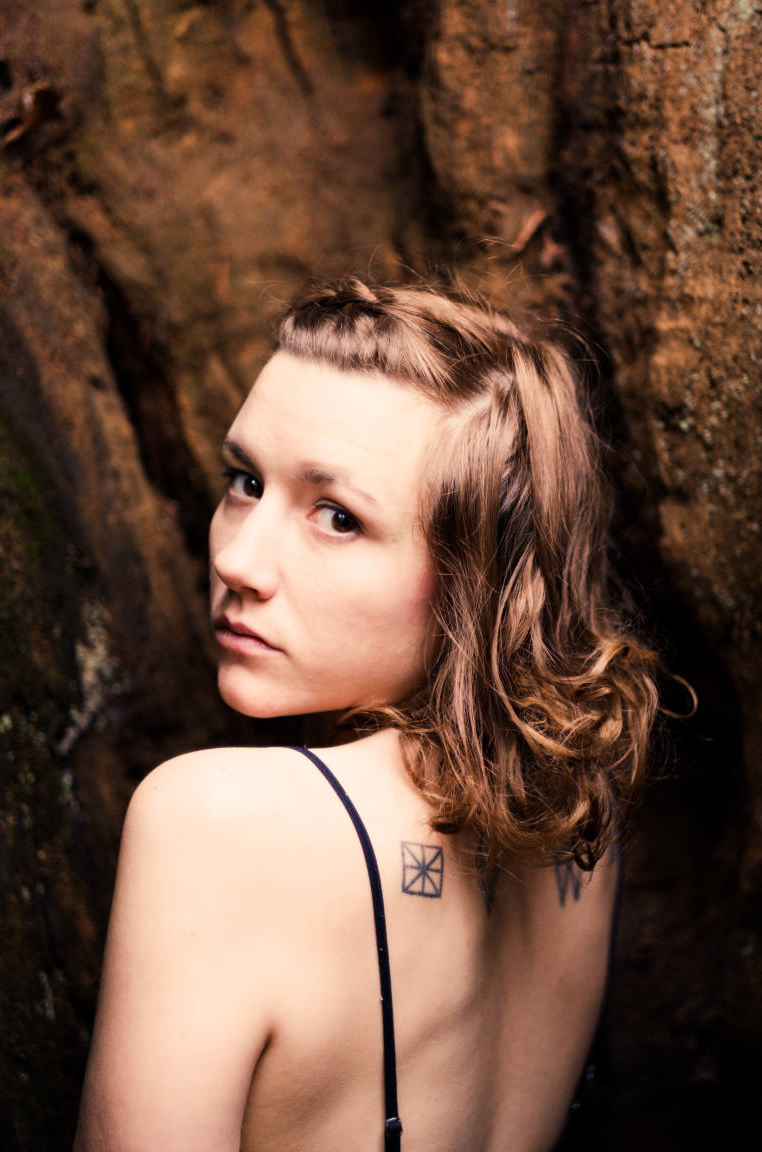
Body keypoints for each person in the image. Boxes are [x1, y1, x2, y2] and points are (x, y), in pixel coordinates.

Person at [74, 277, 659, 1152]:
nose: (239, 557)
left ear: (480, 578)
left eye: (338, 516)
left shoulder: (214, 823)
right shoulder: (580, 811)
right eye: (243, 481)